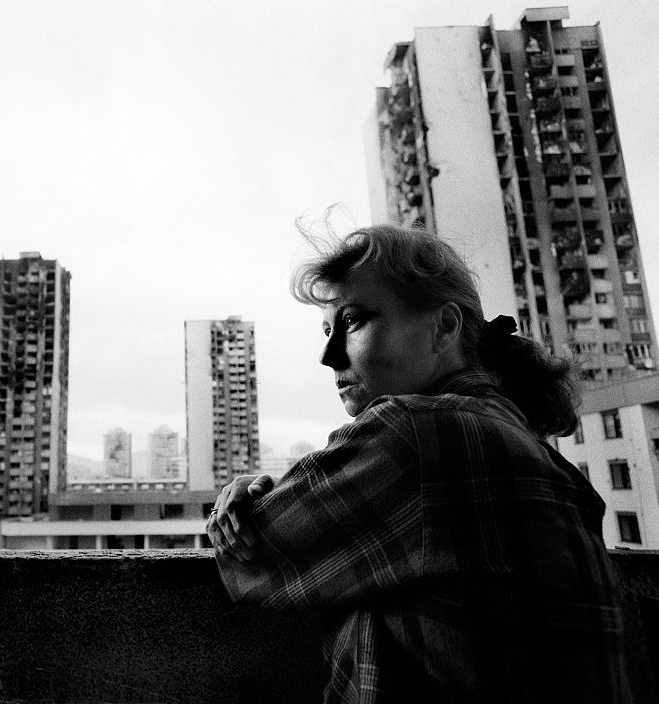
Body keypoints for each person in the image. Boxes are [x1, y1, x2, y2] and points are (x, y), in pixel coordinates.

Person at [206, 223, 629, 703]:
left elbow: (254, 555)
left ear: (444, 327)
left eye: (354, 321)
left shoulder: (415, 431)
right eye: (328, 329)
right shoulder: (517, 436)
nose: (328, 356)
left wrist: (250, 496)